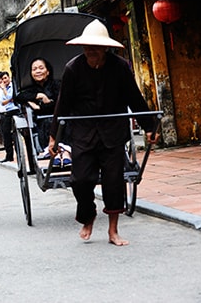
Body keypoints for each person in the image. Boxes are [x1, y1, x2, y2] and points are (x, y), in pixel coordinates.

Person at [48, 19, 159, 246]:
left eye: (95, 48)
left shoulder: (120, 68)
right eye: (87, 48)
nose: (90, 52)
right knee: (80, 180)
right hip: (83, 133)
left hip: (112, 133)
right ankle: (88, 216)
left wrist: (150, 127)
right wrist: (54, 137)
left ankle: (113, 231)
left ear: (105, 49)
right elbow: (63, 105)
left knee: (114, 182)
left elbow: (134, 98)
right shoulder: (73, 69)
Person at [16, 58, 71, 166]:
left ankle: (65, 153)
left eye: (41, 68)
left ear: (48, 71)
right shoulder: (31, 90)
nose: (38, 71)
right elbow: (18, 97)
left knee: (63, 122)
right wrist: (39, 96)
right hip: (42, 122)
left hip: (61, 118)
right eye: (34, 69)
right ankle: (55, 153)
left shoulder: (58, 85)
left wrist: (41, 106)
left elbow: (60, 103)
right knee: (47, 122)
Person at [0, 71, 20, 163]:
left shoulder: (13, 86)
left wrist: (9, 97)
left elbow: (12, 97)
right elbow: (3, 101)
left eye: (5, 78)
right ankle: (9, 156)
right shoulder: (3, 90)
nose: (4, 80)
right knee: (6, 134)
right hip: (7, 112)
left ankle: (20, 155)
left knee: (17, 133)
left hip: (16, 111)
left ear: (9, 78)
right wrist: (10, 99)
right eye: (2, 79)